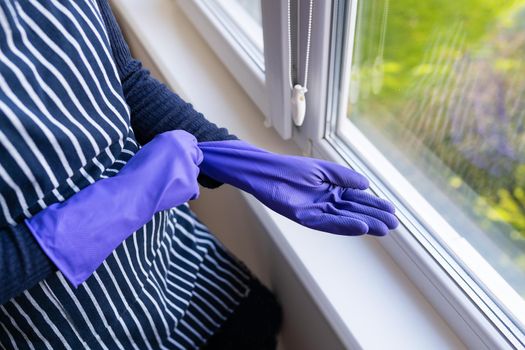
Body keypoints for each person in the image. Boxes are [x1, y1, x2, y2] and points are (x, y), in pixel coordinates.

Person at [0, 1, 398, 349]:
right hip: (66, 331)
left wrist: (239, 159)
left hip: (186, 275)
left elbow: (123, 78)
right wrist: (121, 201)